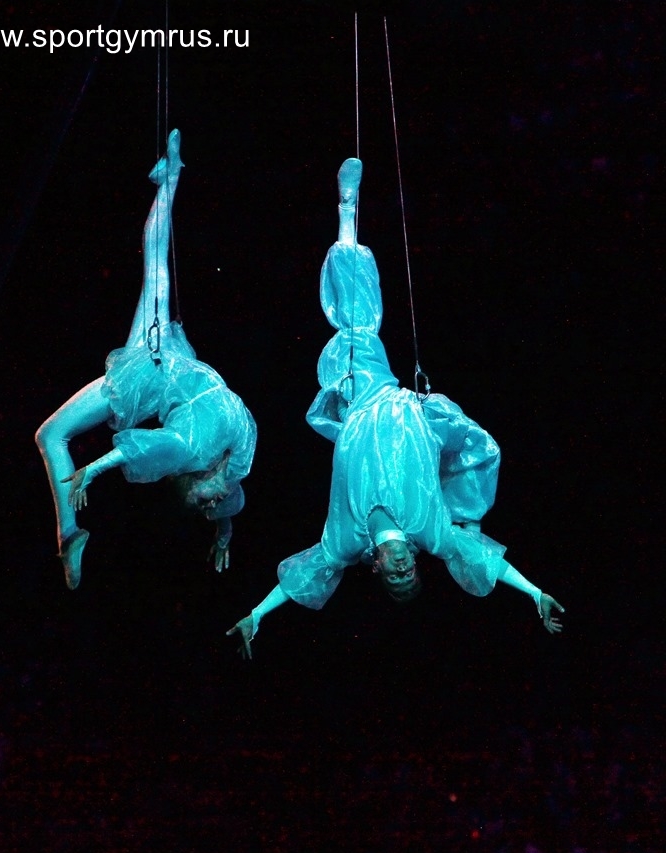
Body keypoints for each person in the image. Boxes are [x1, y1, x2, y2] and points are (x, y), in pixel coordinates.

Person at [227, 157, 563, 657]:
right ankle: (347, 217)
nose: (404, 570)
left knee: (354, 330)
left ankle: (346, 218)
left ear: (378, 567)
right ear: (416, 564)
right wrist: (535, 593)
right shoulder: (432, 533)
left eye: (395, 578)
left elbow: (302, 576)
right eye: (411, 575)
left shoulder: (344, 542)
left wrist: (255, 615)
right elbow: (486, 562)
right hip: (394, 401)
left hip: (359, 403)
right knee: (363, 330)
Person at [36, 129, 256, 589]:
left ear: (192, 480)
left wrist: (93, 471)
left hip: (152, 368)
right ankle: (170, 177)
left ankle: (69, 534)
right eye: (212, 502)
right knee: (154, 261)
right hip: (165, 361)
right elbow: (229, 502)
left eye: (202, 502)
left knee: (51, 434)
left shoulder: (187, 451)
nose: (211, 502)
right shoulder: (235, 464)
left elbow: (136, 449)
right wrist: (224, 533)